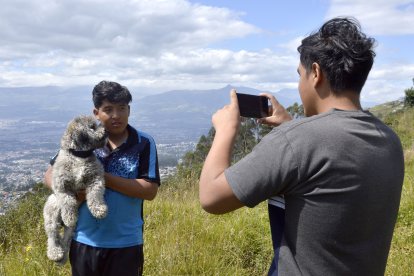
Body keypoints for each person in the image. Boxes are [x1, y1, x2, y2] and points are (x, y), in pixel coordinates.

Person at [199, 17, 404, 275]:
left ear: (316, 73)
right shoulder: (389, 140)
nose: (299, 85)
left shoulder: (297, 142)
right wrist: (291, 125)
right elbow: (330, 152)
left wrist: (226, 130)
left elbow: (210, 197)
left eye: (300, 75)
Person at [44, 80, 161, 276]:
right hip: (83, 241)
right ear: (96, 113)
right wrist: (74, 196)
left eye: (122, 108)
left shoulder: (143, 143)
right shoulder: (82, 139)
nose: (116, 115)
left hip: (126, 243)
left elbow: (149, 191)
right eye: (108, 109)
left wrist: (102, 177)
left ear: (129, 111)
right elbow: (49, 175)